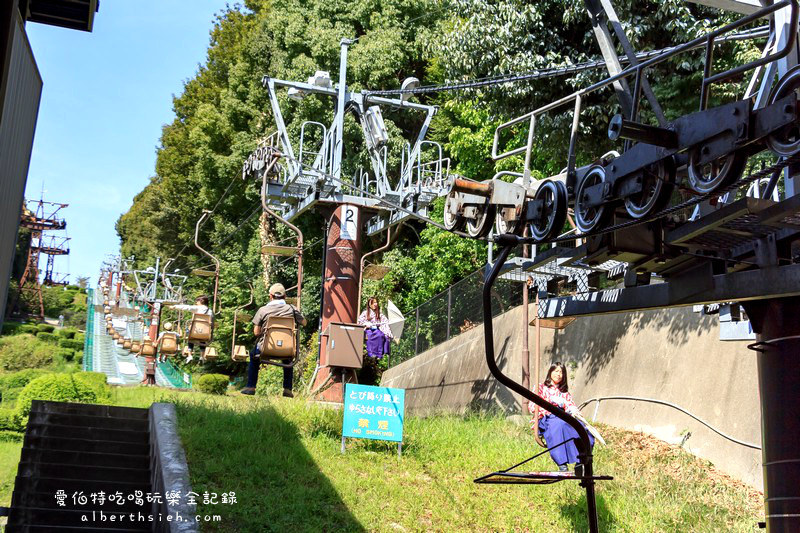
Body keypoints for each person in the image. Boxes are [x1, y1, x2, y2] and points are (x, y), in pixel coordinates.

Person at [241, 283, 306, 398]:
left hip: (266, 348)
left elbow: (256, 332)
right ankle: (287, 388)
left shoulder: (263, 310)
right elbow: (304, 323)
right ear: (285, 296)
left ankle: (251, 386)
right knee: (288, 359)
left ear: (270, 296)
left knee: (253, 356)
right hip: (286, 349)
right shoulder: (292, 309)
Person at [529, 362, 594, 472]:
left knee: (582, 429)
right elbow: (532, 406)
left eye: (561, 372)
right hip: (548, 416)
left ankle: (580, 461)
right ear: (550, 372)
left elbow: (571, 405)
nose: (559, 374)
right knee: (559, 426)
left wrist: (573, 411)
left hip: (563, 416)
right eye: (556, 371)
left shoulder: (564, 393)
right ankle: (562, 464)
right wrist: (549, 403)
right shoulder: (541, 387)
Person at [168, 296, 213, 362]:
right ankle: (201, 356)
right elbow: (212, 322)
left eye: (197, 301)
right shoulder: (210, 311)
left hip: (195, 331)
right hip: (205, 333)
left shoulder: (197, 308)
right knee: (202, 339)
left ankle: (190, 355)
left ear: (201, 301)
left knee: (190, 338)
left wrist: (174, 306)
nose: (196, 303)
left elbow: (186, 307)